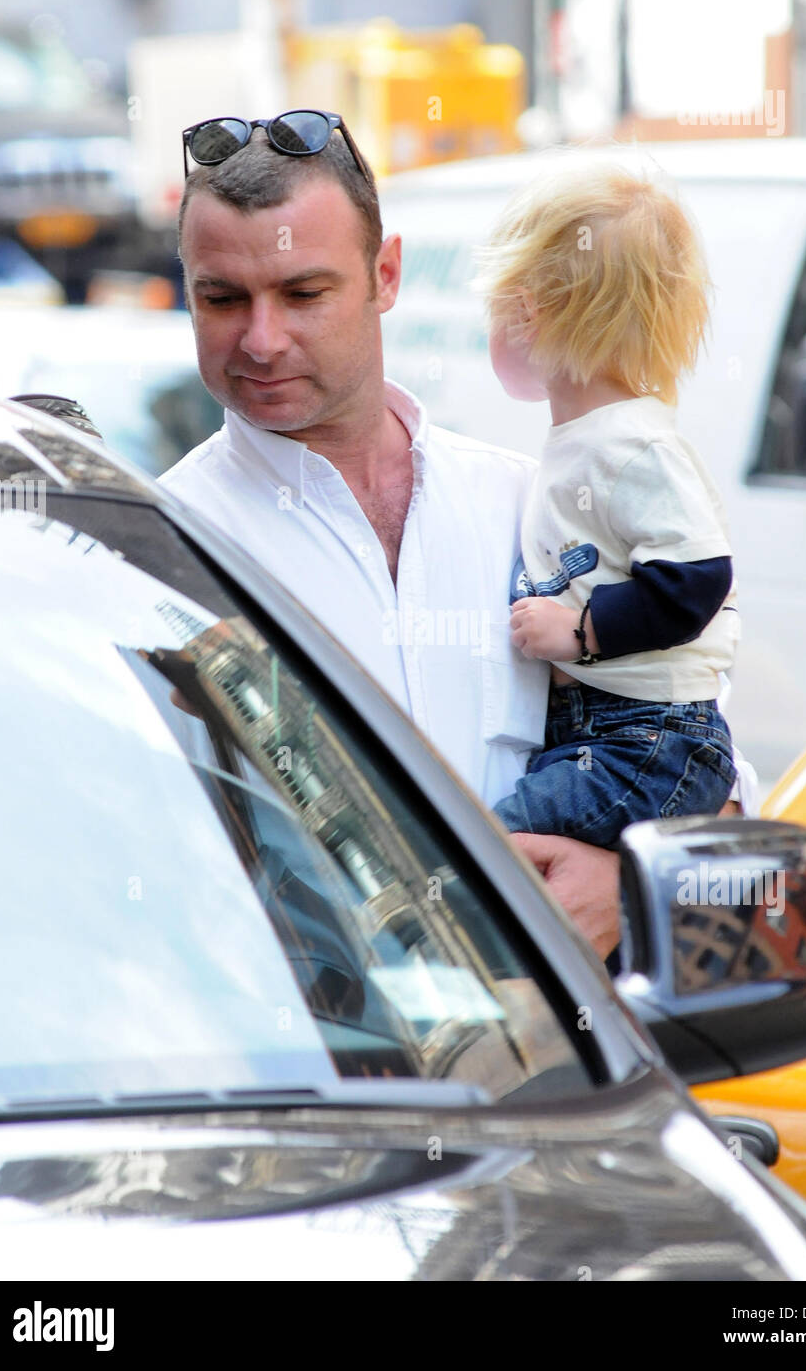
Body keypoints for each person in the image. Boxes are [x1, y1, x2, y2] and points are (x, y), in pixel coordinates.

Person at [160, 111, 756, 963]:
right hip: (310, 1066)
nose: (261, 339)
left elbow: (707, 770)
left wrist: (632, 890)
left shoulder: (528, 501)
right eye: (222, 298)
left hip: (546, 1070)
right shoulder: (164, 548)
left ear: (386, 273)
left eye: (303, 293)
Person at [476, 163, 740, 848]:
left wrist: (579, 632)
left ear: (525, 312)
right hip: (617, 733)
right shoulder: (590, 441)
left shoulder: (629, 443)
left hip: (646, 740)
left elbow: (697, 577)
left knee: (494, 846)